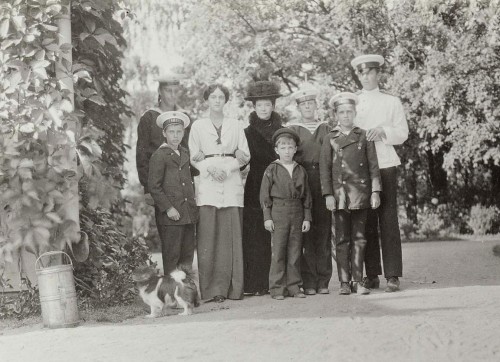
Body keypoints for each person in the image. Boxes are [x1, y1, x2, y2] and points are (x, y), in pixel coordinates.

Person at [351, 54, 409, 292]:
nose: (366, 77)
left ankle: (392, 275)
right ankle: (371, 274)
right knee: (366, 221)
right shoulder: (352, 102)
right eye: (362, 73)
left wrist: (383, 131)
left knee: (387, 218)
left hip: (385, 163)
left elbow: (402, 132)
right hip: (360, 167)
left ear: (378, 74)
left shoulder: (391, 101)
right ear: (358, 75)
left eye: (370, 73)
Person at [188, 84, 250, 303]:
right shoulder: (197, 126)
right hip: (207, 182)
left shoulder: (236, 125)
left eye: (221, 97)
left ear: (226, 101)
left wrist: (228, 168)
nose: (216, 100)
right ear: (206, 100)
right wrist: (209, 168)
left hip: (231, 181)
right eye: (212, 97)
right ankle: (211, 290)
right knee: (208, 237)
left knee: (230, 237)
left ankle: (233, 289)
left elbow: (245, 154)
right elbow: (193, 155)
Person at [320, 92, 382, 295]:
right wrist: (328, 194)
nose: (346, 115)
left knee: (360, 238)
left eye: (349, 111)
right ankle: (344, 282)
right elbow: (325, 169)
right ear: (336, 114)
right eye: (341, 112)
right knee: (341, 239)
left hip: (361, 193)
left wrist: (375, 191)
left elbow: (373, 166)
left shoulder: (364, 135)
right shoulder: (330, 138)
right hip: (339, 196)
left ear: (355, 113)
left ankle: (358, 280)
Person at [287, 84, 332, 295]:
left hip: (323, 181)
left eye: (310, 103)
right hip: (302, 182)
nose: (307, 107)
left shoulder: (326, 127)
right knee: (305, 232)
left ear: (316, 105)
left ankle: (323, 280)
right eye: (303, 104)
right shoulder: (293, 129)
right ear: (298, 108)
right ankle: (309, 281)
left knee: (323, 231)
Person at [242, 80, 284, 296]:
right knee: (255, 233)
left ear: (273, 106)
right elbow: (240, 159)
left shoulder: (284, 131)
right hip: (256, 184)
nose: (264, 109)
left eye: (267, 105)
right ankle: (256, 282)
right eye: (259, 106)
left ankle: (279, 280)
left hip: (280, 184)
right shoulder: (246, 132)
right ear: (254, 108)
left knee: (281, 230)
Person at [260, 128, 311, 300]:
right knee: (278, 251)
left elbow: (307, 196)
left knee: (295, 251)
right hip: (278, 212)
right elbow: (265, 196)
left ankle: (295, 287)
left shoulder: (300, 170)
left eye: (290, 147)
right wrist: (267, 217)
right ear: (276, 150)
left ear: (295, 149)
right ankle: (277, 288)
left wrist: (307, 217)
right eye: (283, 148)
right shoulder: (271, 169)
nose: (287, 151)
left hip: (296, 211)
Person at [148, 111, 198, 275]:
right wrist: (168, 208)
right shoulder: (159, 155)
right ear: (164, 133)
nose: (175, 136)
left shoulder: (184, 153)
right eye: (171, 132)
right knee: (172, 256)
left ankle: (185, 294)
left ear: (183, 132)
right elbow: (154, 186)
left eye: (179, 131)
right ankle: (171, 296)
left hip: (187, 213)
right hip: (171, 215)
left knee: (187, 256)